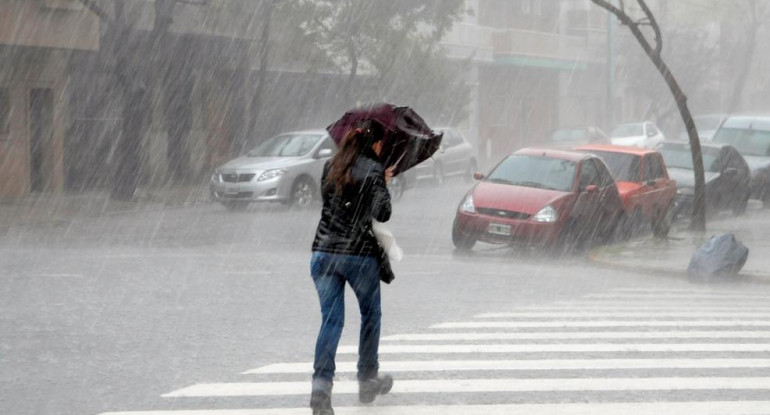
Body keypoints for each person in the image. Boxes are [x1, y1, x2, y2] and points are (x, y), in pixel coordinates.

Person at [309, 120, 394, 415]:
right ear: (375, 144)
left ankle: (321, 387)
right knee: (370, 314)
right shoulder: (373, 170)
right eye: (382, 145)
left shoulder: (330, 166)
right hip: (357, 255)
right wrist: (383, 181)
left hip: (322, 253)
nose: (382, 149)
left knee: (331, 322)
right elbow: (382, 212)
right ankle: (367, 378)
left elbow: (332, 202)